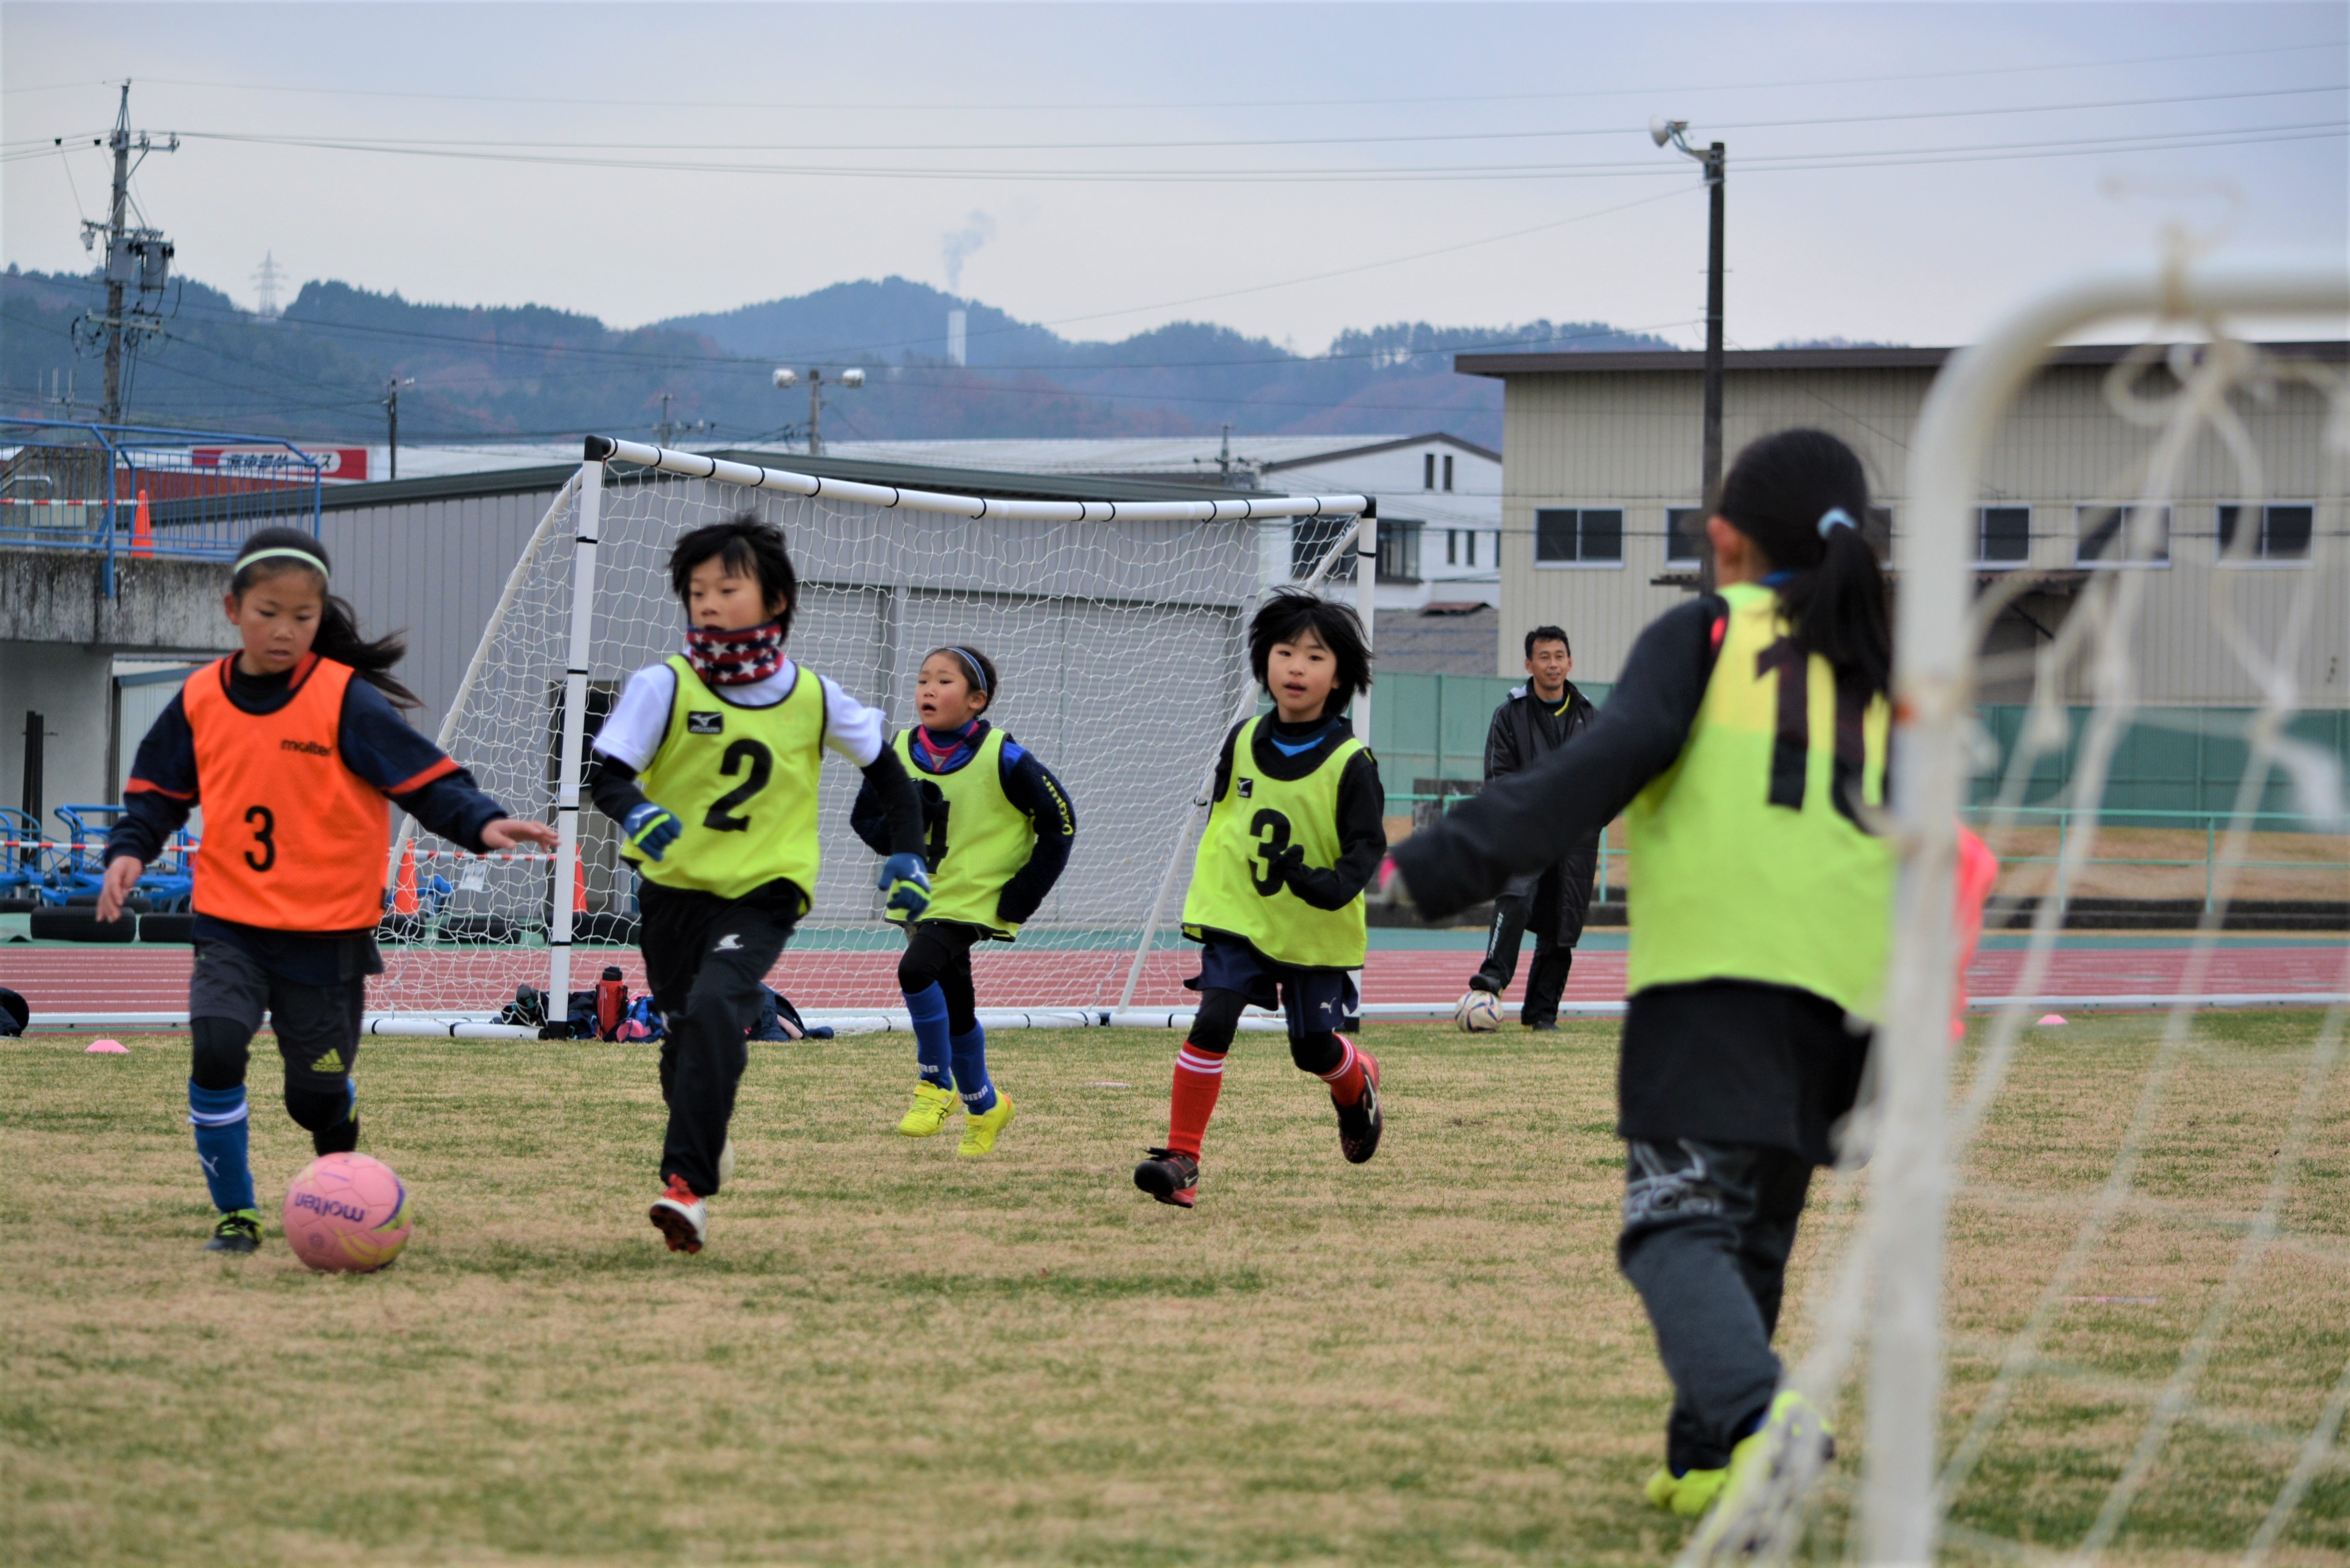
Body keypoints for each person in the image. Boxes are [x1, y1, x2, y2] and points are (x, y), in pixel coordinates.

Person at [1382, 429, 1895, 1547]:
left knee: (1670, 1232)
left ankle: (1765, 1424)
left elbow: (1598, 766)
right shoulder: (1876, 658)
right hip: (1849, 1004)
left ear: (1722, 535)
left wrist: (1434, 861)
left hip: (1719, 989)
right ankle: (1703, 1464)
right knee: (1745, 1238)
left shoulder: (1707, 632)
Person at [96, 528, 558, 1255]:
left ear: (320, 617)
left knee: (312, 1100)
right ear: (233, 610)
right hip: (231, 925)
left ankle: (343, 1179)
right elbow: (157, 794)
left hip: (327, 936)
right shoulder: (199, 700)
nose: (284, 630)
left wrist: (484, 822)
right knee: (216, 1049)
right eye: (267, 613)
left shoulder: (346, 700)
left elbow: (424, 779)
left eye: (302, 618)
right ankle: (237, 1215)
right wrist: (129, 850)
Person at [588, 513, 927, 1254]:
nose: (708, 602)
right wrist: (638, 810)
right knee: (685, 1027)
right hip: (675, 893)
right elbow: (606, 777)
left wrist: (908, 857)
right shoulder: (662, 686)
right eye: (697, 591)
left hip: (767, 891)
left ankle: (686, 1190)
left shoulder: (814, 695)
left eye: (727, 587)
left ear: (775, 601)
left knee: (718, 1006)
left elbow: (892, 778)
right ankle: (704, 1125)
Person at [1133, 589, 1388, 1209]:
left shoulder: (1353, 762)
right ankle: (1181, 1160)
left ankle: (1355, 1079)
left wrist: (1327, 885)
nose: (1296, 667)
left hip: (1311, 927)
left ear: (1340, 677)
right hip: (1239, 916)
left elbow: (1366, 847)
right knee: (1214, 1019)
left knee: (1312, 1050)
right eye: (1283, 652)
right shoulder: (1240, 740)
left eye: (1315, 656)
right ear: (1263, 662)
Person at [850, 644, 1076, 1156]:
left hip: (976, 900)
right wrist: (909, 823)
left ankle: (934, 1086)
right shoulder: (898, 749)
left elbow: (1060, 825)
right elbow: (864, 821)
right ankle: (986, 1107)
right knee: (956, 1011)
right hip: (923, 898)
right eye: (923, 679)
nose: (928, 689)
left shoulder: (1007, 756)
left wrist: (1021, 896)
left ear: (977, 700)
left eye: (943, 681)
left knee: (915, 971)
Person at [1462, 625, 1599, 1030]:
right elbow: (1499, 777)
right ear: (1529, 664)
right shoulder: (1510, 715)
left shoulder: (1589, 717)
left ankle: (1542, 1014)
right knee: (1516, 896)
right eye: (1544, 657)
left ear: (1570, 662)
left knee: (1562, 925)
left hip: (1575, 840)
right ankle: (1491, 983)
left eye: (1559, 656)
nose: (1553, 664)